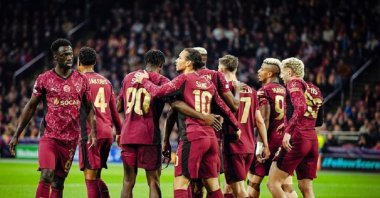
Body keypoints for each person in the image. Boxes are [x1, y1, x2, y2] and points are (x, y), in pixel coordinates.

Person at [134, 48, 241, 198]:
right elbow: (225, 108)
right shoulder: (207, 82)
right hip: (211, 139)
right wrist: (236, 127)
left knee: (181, 183)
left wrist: (143, 80)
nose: (176, 60)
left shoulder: (183, 79)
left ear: (189, 63)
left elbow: (158, 92)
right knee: (213, 185)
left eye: (180, 57)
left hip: (193, 137)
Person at [8, 38, 96, 198]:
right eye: (64, 54)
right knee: (47, 174)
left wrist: (93, 133)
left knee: (58, 183)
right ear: (55, 57)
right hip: (50, 137)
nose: (69, 57)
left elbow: (89, 107)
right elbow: (31, 106)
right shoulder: (44, 79)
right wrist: (16, 134)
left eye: (70, 54)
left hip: (70, 140)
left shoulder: (81, 80)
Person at [187, 47, 240, 198]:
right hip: (213, 134)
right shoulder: (216, 76)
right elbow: (232, 106)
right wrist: (237, 90)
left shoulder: (186, 77)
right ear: (206, 58)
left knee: (191, 182)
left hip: (191, 132)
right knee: (212, 182)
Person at [116, 49, 170, 198]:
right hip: (149, 135)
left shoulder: (128, 77)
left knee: (127, 181)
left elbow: (119, 107)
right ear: (161, 64)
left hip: (128, 135)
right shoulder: (161, 80)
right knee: (153, 181)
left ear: (146, 62)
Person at [267, 57, 324, 198]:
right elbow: (319, 120)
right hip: (312, 139)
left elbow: (300, 106)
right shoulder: (315, 89)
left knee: (273, 184)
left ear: (290, 72)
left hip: (297, 138)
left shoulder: (294, 83)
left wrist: (288, 131)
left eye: (283, 72)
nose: (282, 76)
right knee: (306, 188)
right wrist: (287, 125)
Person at [217, 55, 270, 198]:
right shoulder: (251, 91)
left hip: (233, 146)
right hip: (248, 146)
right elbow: (259, 121)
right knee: (229, 189)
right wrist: (265, 144)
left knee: (240, 191)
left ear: (221, 69)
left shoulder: (224, 90)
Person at [247, 58, 298, 198]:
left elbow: (264, 119)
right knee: (286, 186)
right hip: (285, 141)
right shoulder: (287, 91)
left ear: (269, 74)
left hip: (269, 141)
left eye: (262, 69)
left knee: (253, 183)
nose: (258, 71)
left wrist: (260, 146)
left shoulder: (263, 91)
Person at [77, 47, 122, 198]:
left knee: (90, 179)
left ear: (79, 62)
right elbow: (114, 111)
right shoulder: (106, 82)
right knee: (96, 177)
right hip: (107, 133)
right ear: (95, 62)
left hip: (90, 133)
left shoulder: (78, 81)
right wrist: (120, 132)